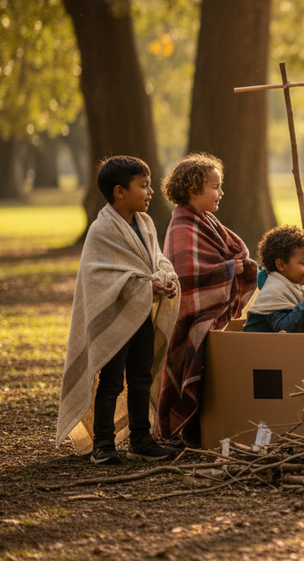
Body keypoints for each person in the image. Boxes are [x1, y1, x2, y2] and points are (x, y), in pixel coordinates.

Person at [56, 156, 179, 465]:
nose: (151, 192)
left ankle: (141, 439)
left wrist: (166, 278)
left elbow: (155, 261)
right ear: (120, 191)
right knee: (111, 382)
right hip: (115, 318)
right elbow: (101, 278)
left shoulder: (145, 224)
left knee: (140, 378)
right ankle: (103, 444)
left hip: (141, 319)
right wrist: (145, 286)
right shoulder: (102, 231)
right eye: (144, 185)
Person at [154, 153, 257, 447]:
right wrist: (228, 269)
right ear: (193, 190)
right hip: (190, 319)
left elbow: (230, 250)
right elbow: (186, 274)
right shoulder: (181, 226)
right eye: (215, 186)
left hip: (210, 317)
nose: (221, 193)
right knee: (189, 367)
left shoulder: (208, 222)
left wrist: (237, 265)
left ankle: (200, 429)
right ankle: (182, 429)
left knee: (209, 373)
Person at [246, 225, 304, 333]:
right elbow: (286, 327)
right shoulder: (274, 292)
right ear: (281, 265)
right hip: (259, 346)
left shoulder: (297, 284)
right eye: (303, 263)